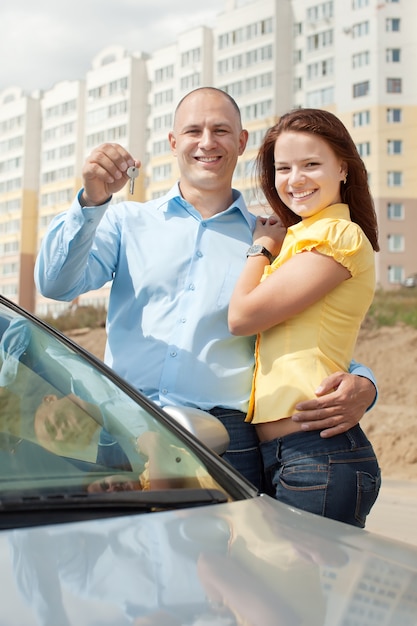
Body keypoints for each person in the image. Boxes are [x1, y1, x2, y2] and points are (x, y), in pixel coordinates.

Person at [34, 87, 377, 490]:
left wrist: (364, 383)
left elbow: (304, 334)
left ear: (242, 141)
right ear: (173, 142)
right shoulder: (127, 221)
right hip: (126, 427)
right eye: (194, 130)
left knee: (231, 553)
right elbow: (56, 284)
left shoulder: (270, 238)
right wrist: (91, 201)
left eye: (221, 130)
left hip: (227, 441)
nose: (207, 142)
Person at [228, 108, 381, 526]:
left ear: (343, 169)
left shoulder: (337, 236)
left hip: (319, 455)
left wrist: (260, 247)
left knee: (297, 592)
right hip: (289, 454)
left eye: (312, 164)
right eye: (284, 168)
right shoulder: (300, 237)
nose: (295, 179)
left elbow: (242, 317)